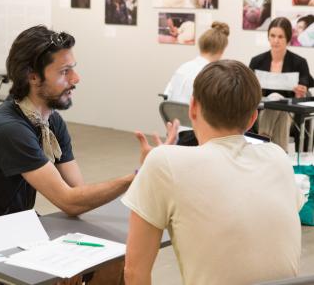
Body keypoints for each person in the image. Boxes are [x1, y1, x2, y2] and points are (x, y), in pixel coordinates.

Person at [0, 25, 177, 285]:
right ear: (33, 77)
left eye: (73, 69)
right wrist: (138, 176)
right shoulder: (8, 130)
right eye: (65, 71)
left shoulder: (50, 122)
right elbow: (70, 201)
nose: (76, 78)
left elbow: (78, 192)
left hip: (22, 228)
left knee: (117, 261)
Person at [123, 60, 305, 285]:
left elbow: (134, 272)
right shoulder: (278, 158)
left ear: (192, 107)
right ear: (252, 119)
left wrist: (150, 168)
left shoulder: (164, 162)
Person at [249, 17, 311, 151]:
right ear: (268, 37)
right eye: (272, 35)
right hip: (261, 112)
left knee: (278, 100)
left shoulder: (299, 62)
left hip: (292, 114)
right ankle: (283, 153)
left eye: (280, 37)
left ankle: (263, 141)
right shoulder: (257, 61)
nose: (275, 40)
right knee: (279, 104)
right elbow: (247, 89)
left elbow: (306, 81)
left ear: (288, 39)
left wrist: (302, 89)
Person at [164, 21, 229, 145]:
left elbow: (167, 96)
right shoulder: (211, 74)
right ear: (222, 50)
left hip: (174, 131)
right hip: (195, 135)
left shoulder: (183, 67)